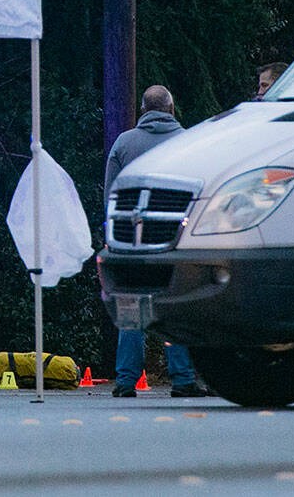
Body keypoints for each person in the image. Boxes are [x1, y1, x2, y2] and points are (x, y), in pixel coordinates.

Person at [104, 85, 208, 398]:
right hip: (175, 239)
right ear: (172, 110)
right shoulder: (190, 141)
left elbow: (110, 192)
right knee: (175, 306)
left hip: (131, 239)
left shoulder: (123, 143)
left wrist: (113, 235)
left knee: (131, 305)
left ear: (143, 111)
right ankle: (183, 380)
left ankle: (125, 381)